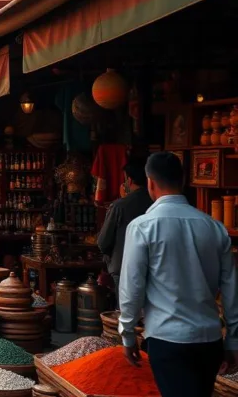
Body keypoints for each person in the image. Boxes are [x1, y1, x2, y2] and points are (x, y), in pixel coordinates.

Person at [118, 152, 238, 397]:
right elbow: (231, 290)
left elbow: (132, 287)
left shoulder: (143, 227)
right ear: (183, 180)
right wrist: (233, 339)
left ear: (150, 182)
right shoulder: (214, 227)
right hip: (208, 340)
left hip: (167, 339)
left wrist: (127, 333)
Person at [97, 161, 153, 306]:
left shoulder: (119, 206)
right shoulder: (154, 202)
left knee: (125, 310)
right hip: (152, 268)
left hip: (122, 267)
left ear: (129, 180)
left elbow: (103, 242)